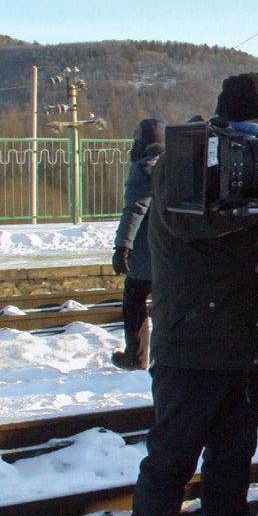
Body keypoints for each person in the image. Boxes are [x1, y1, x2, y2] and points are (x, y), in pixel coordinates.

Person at [125, 73, 258, 516]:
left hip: (246, 340)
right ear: (223, 125)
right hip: (192, 342)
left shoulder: (255, 170)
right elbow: (201, 223)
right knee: (171, 460)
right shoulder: (184, 162)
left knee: (234, 457)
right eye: (251, 128)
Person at [111, 117, 164, 371]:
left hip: (144, 253)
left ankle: (136, 356)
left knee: (134, 299)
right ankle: (164, 354)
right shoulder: (177, 164)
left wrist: (122, 247)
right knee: (168, 305)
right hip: (171, 253)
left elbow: (134, 210)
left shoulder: (143, 168)